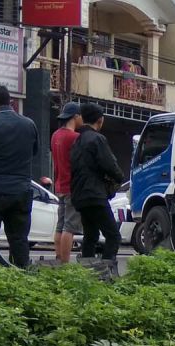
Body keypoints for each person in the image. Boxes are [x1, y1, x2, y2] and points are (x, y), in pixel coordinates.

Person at [0, 84, 39, 268]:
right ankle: (21, 279)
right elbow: (33, 153)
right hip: (22, 192)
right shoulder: (29, 124)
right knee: (19, 240)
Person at [70, 103, 124, 261]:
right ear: (100, 120)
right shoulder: (97, 139)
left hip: (79, 195)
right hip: (95, 194)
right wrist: (119, 177)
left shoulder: (77, 141)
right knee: (113, 236)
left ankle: (88, 273)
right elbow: (110, 165)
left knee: (91, 235)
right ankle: (105, 271)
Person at [51, 101, 83, 263]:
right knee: (69, 228)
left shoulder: (55, 135)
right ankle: (65, 264)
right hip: (72, 186)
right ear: (75, 117)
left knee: (60, 224)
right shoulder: (75, 137)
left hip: (59, 185)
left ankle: (58, 258)